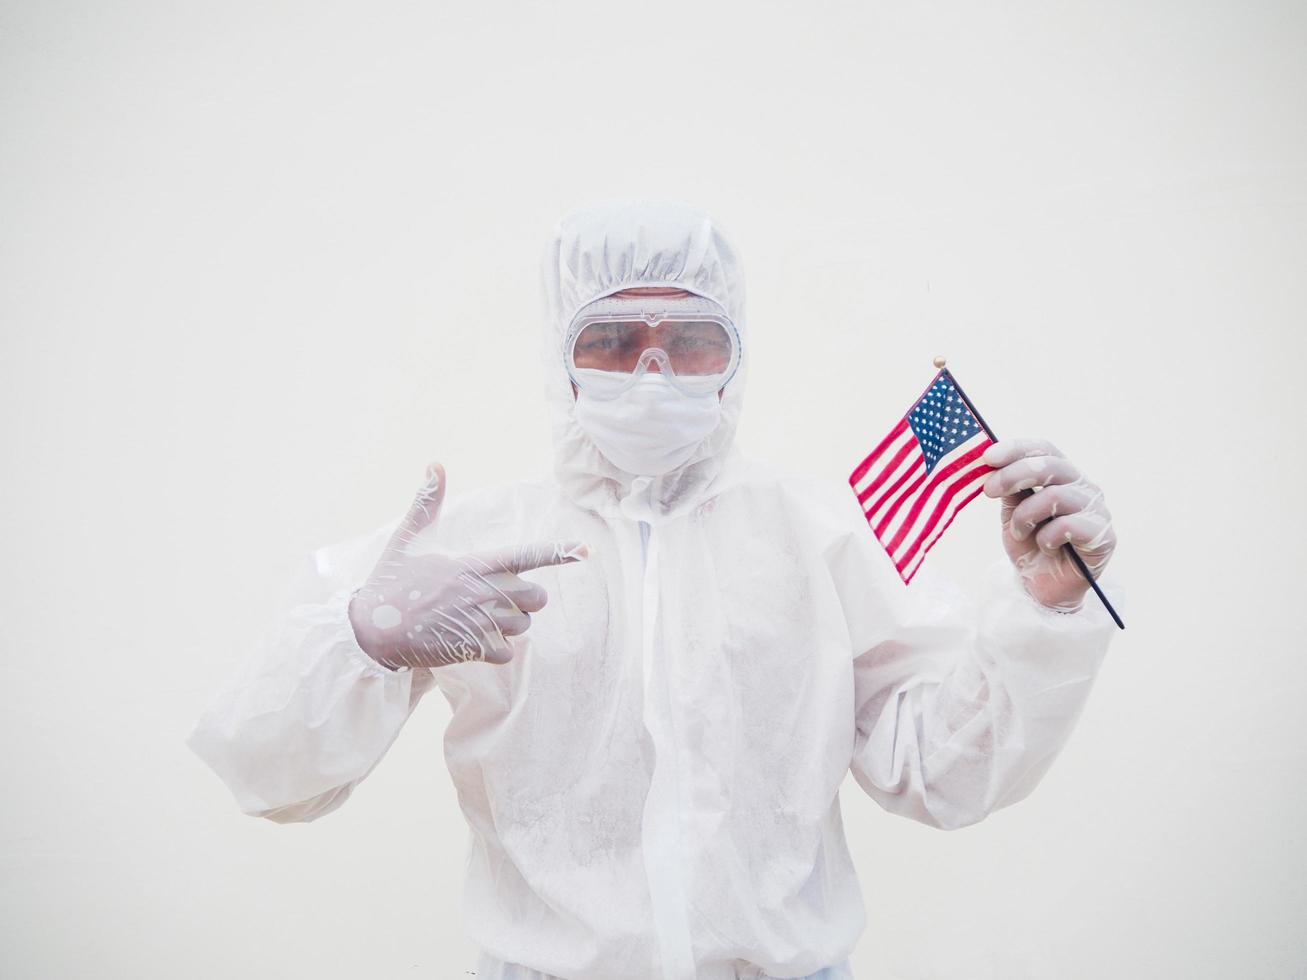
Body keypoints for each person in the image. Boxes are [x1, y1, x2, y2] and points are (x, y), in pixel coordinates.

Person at [186, 200, 1123, 980]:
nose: (651, 370)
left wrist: (1046, 607)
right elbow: (262, 773)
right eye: (610, 338)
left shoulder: (817, 539)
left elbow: (944, 774)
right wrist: (360, 639)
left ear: (736, 355)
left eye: (689, 339)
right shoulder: (473, 548)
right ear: (559, 354)